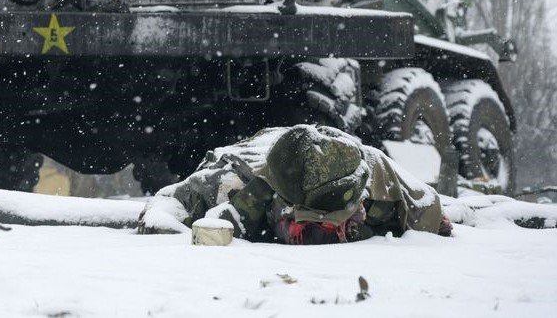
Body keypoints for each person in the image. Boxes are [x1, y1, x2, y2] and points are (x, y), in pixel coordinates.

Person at [138, 124, 452, 243]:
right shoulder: (240, 185)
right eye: (303, 229)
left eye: (335, 228)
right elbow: (169, 201)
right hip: (259, 148)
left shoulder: (387, 186)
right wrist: (170, 227)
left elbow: (433, 214)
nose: (310, 237)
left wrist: (439, 224)